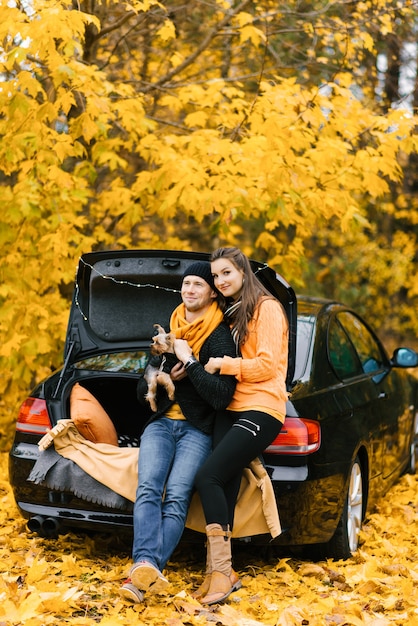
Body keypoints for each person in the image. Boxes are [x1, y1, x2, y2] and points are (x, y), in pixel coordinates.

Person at [119, 261, 237, 604]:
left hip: (196, 430)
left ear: (212, 292)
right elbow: (142, 395)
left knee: (177, 497)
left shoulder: (219, 336)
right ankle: (145, 565)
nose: (189, 290)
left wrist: (191, 365)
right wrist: (156, 376)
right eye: (186, 283)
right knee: (148, 488)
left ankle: (141, 575)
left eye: (198, 284)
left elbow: (221, 396)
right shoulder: (167, 329)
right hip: (160, 425)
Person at [193, 247, 289, 605]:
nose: (220, 281)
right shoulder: (231, 315)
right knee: (224, 486)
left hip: (261, 408)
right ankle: (217, 571)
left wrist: (224, 363)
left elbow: (266, 366)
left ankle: (222, 573)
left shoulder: (267, 308)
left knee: (208, 476)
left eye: (226, 273)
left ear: (243, 272)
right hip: (230, 408)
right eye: (216, 276)